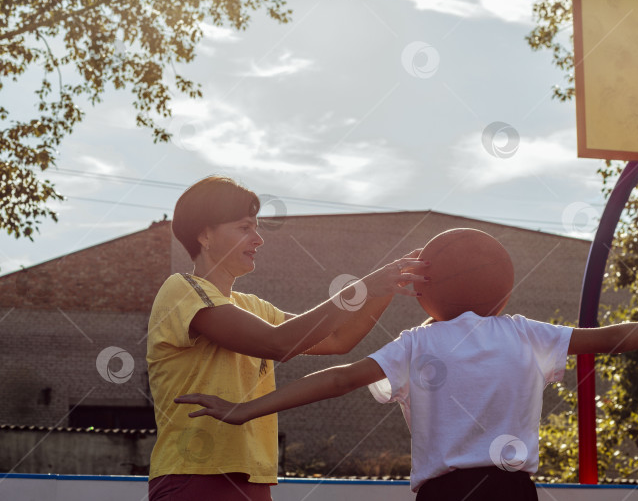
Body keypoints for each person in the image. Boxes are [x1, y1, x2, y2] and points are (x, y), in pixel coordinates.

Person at [175, 240, 638, 500]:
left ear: (424, 294)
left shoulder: (416, 343)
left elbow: (338, 378)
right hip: (512, 494)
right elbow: (616, 337)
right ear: (503, 290)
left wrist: (246, 408)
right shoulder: (527, 333)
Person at [147, 175, 428, 501]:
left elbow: (339, 339)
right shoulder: (181, 290)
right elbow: (279, 343)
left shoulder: (253, 307)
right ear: (205, 235)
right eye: (244, 227)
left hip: (254, 477)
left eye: (257, 227)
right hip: (193, 477)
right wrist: (364, 287)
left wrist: (387, 286)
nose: (258, 239)